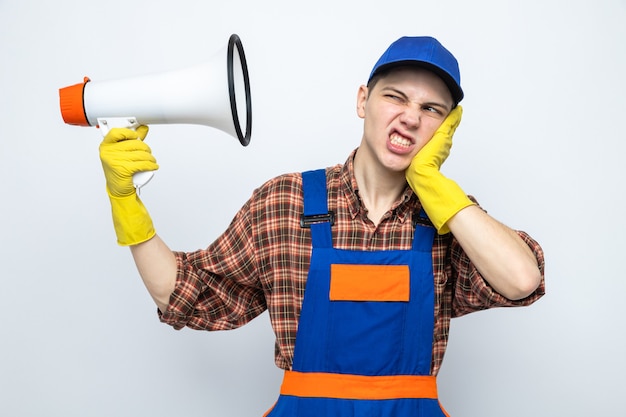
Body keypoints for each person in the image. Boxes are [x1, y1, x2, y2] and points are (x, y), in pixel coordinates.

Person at [99, 36, 545, 416]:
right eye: (395, 96)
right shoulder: (285, 202)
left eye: (432, 109)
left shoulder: (452, 222)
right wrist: (127, 203)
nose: (411, 117)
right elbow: (184, 293)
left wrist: (433, 184)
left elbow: (522, 280)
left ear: (447, 129)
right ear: (361, 101)